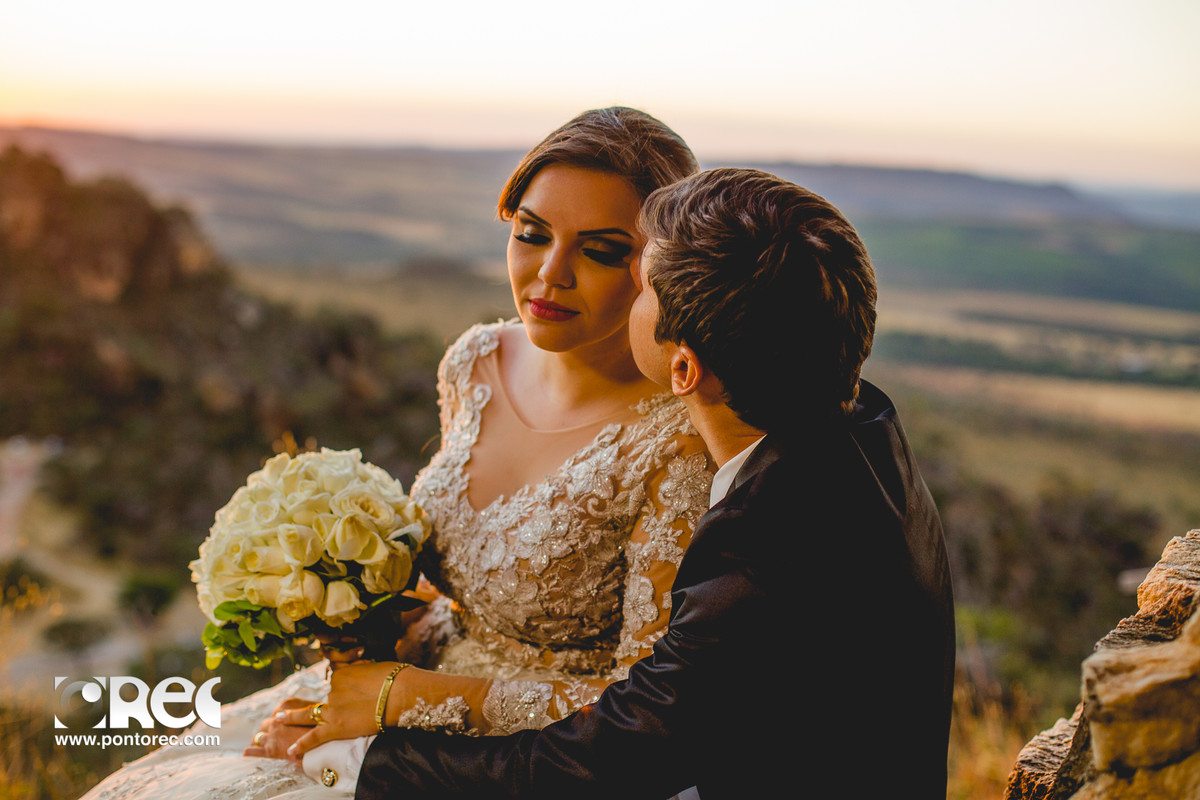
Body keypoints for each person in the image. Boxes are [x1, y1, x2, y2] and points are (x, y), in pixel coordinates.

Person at [77, 107, 713, 799]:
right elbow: (461, 585)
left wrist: (407, 697)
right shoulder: (475, 361)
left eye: (600, 250)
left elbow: (639, 713)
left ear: (657, 267)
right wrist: (355, 608)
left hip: (515, 761)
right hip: (385, 686)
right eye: (531, 234)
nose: (550, 273)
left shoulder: (677, 442)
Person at [286, 167, 956, 798]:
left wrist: (371, 761)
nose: (630, 284)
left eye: (646, 286)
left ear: (685, 370)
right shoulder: (863, 424)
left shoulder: (767, 549)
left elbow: (615, 756)